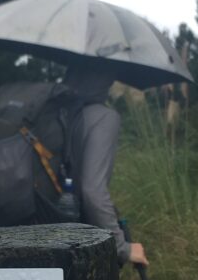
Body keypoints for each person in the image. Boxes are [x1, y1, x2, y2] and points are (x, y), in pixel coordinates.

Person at [62, 59, 149, 266]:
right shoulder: (104, 117)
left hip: (27, 227)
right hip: (67, 236)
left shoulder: (54, 109)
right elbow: (93, 191)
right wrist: (123, 247)